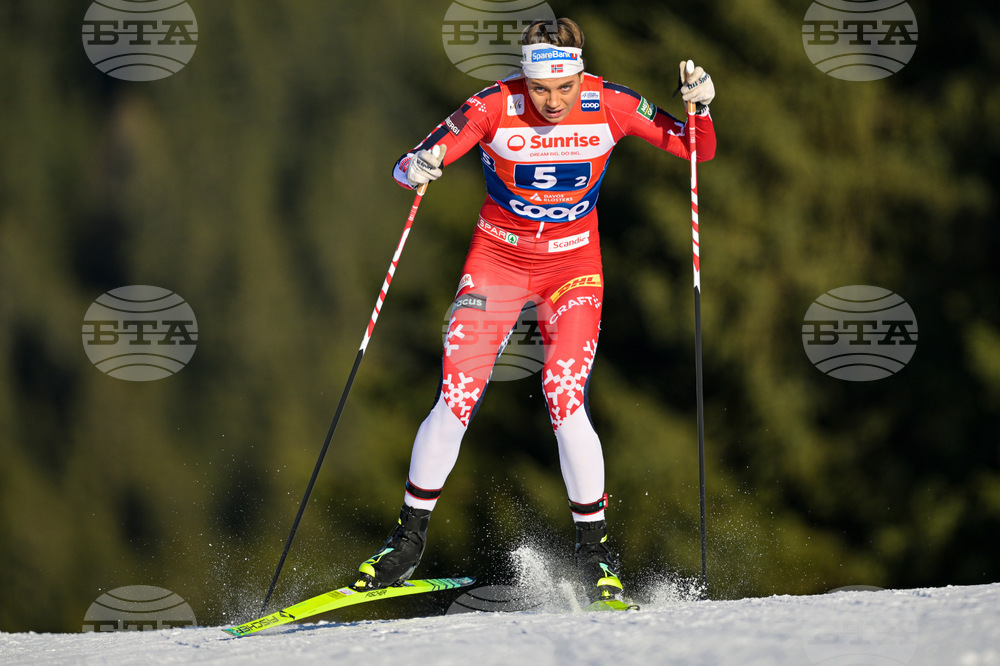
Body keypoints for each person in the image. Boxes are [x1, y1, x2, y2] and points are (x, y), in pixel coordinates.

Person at [353, 17, 716, 604]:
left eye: (563, 88)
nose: (551, 102)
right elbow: (412, 161)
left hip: (573, 266)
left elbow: (695, 147)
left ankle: (596, 556)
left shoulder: (613, 103)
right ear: (524, 78)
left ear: (580, 75)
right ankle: (406, 543)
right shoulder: (494, 105)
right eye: (539, 89)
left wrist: (699, 109)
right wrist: (417, 167)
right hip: (498, 258)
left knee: (564, 393)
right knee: (457, 393)